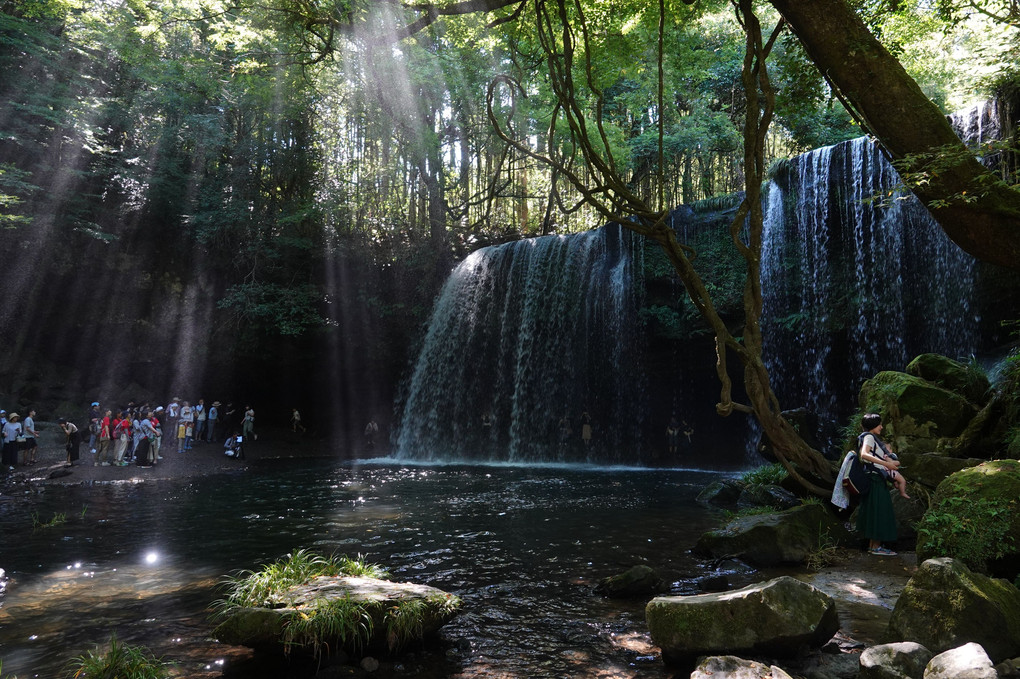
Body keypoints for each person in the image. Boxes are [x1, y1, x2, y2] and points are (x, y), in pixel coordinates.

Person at [856, 413, 904, 556]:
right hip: (875, 479)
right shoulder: (869, 437)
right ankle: (876, 547)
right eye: (879, 424)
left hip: (872, 478)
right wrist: (887, 464)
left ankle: (873, 546)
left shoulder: (865, 437)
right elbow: (864, 454)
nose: (882, 427)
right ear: (872, 426)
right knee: (880, 510)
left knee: (874, 510)